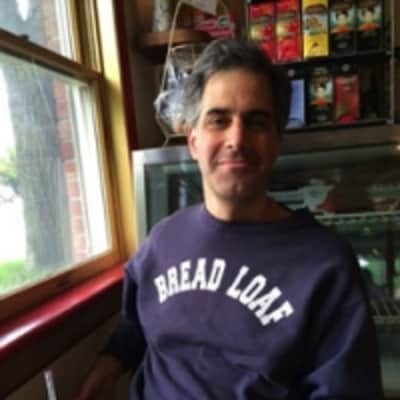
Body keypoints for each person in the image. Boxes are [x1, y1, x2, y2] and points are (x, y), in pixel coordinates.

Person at [76, 39, 383, 399]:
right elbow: (135, 322)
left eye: (256, 122)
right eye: (219, 120)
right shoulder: (162, 241)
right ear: (193, 140)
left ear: (276, 140)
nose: (237, 138)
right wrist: (108, 365)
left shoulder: (327, 264)